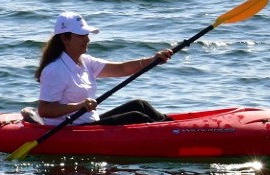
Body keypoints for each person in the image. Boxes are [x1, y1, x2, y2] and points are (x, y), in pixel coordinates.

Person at [34, 13, 172, 127]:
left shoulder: (86, 61)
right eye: (81, 35)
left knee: (140, 105)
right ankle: (173, 132)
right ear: (65, 38)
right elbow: (45, 110)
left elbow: (121, 69)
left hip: (91, 122)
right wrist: (79, 106)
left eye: (87, 35)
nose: (87, 39)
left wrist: (152, 60)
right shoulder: (55, 69)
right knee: (136, 117)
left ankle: (174, 126)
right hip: (70, 129)